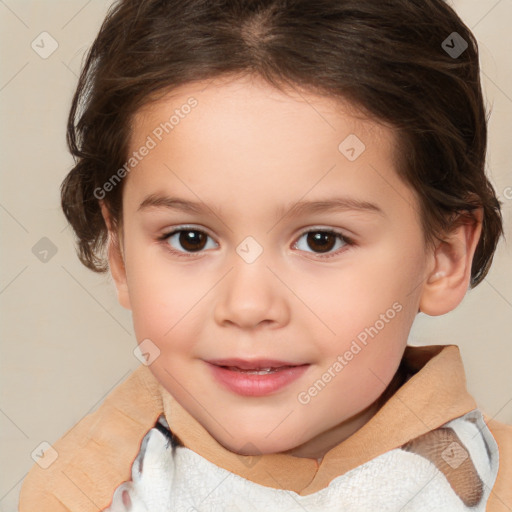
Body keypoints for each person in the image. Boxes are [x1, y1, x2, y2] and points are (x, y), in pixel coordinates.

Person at [18, 0, 512, 510]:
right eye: (190, 239)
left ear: (444, 257)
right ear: (119, 254)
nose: (249, 305)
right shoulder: (75, 493)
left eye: (322, 240)